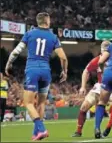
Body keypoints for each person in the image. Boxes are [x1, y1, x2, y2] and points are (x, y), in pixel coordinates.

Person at [5, 12, 68, 140]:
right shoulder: (53, 37)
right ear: (47, 22)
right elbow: (63, 57)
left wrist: (8, 64)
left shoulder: (29, 34)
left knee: (28, 103)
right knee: (41, 103)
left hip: (32, 70)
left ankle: (42, 129)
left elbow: (16, 51)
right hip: (46, 71)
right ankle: (36, 133)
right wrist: (64, 71)